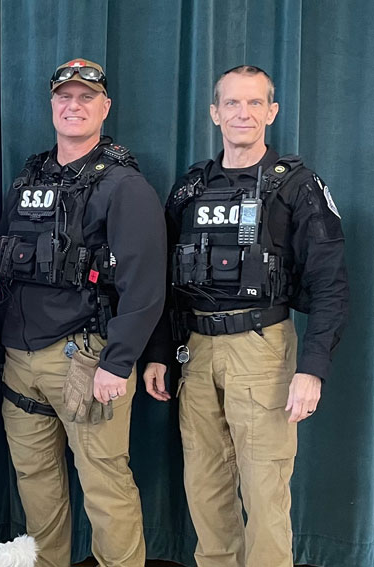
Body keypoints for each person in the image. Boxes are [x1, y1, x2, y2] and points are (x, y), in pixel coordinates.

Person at [143, 65, 349, 567]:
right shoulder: (191, 187)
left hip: (262, 348)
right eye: (232, 103)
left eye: (255, 103)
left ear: (272, 112)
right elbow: (163, 276)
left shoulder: (297, 187)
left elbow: (330, 285)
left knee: (264, 490)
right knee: (205, 487)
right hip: (196, 349)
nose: (243, 113)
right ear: (214, 113)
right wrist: (157, 354)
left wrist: (312, 369)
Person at [0, 58, 166, 567]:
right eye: (64, 97)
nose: (74, 105)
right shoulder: (28, 179)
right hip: (19, 357)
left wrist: (119, 361)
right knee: (35, 483)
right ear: (51, 105)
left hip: (85, 358)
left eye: (86, 97)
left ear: (104, 108)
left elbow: (146, 285)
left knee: (104, 481)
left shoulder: (124, 186)